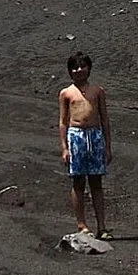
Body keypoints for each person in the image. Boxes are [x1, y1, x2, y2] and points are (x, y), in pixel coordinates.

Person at [57, 51, 111, 237]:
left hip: (95, 136)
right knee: (78, 182)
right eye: (75, 67)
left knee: (96, 182)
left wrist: (107, 147)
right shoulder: (66, 93)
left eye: (82, 66)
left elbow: (104, 119)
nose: (79, 70)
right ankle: (82, 225)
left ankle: (102, 227)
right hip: (76, 136)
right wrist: (64, 147)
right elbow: (63, 121)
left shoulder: (98, 91)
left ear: (89, 69)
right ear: (70, 71)